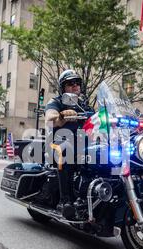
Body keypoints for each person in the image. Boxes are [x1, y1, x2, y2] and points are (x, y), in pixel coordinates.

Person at [45, 69, 92, 220]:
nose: (75, 86)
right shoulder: (56, 101)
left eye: (77, 83)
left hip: (82, 144)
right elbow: (50, 117)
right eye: (70, 83)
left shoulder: (84, 105)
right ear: (62, 87)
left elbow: (98, 117)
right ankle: (65, 201)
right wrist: (62, 115)